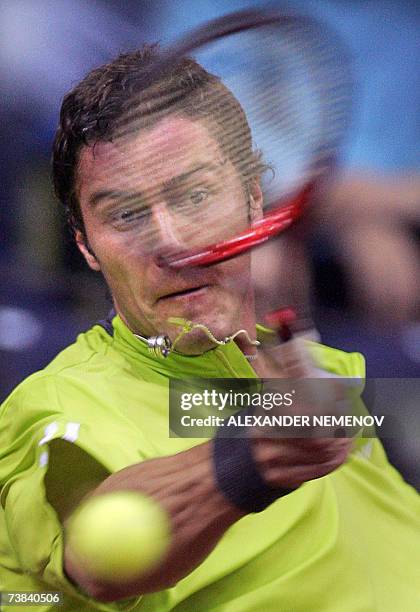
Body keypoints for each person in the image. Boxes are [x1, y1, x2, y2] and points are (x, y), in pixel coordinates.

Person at [0, 47, 419, 612]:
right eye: (125, 215)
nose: (170, 244)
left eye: (195, 195)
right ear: (85, 246)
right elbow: (93, 550)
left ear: (252, 199)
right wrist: (248, 456)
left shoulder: (323, 372)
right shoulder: (52, 406)